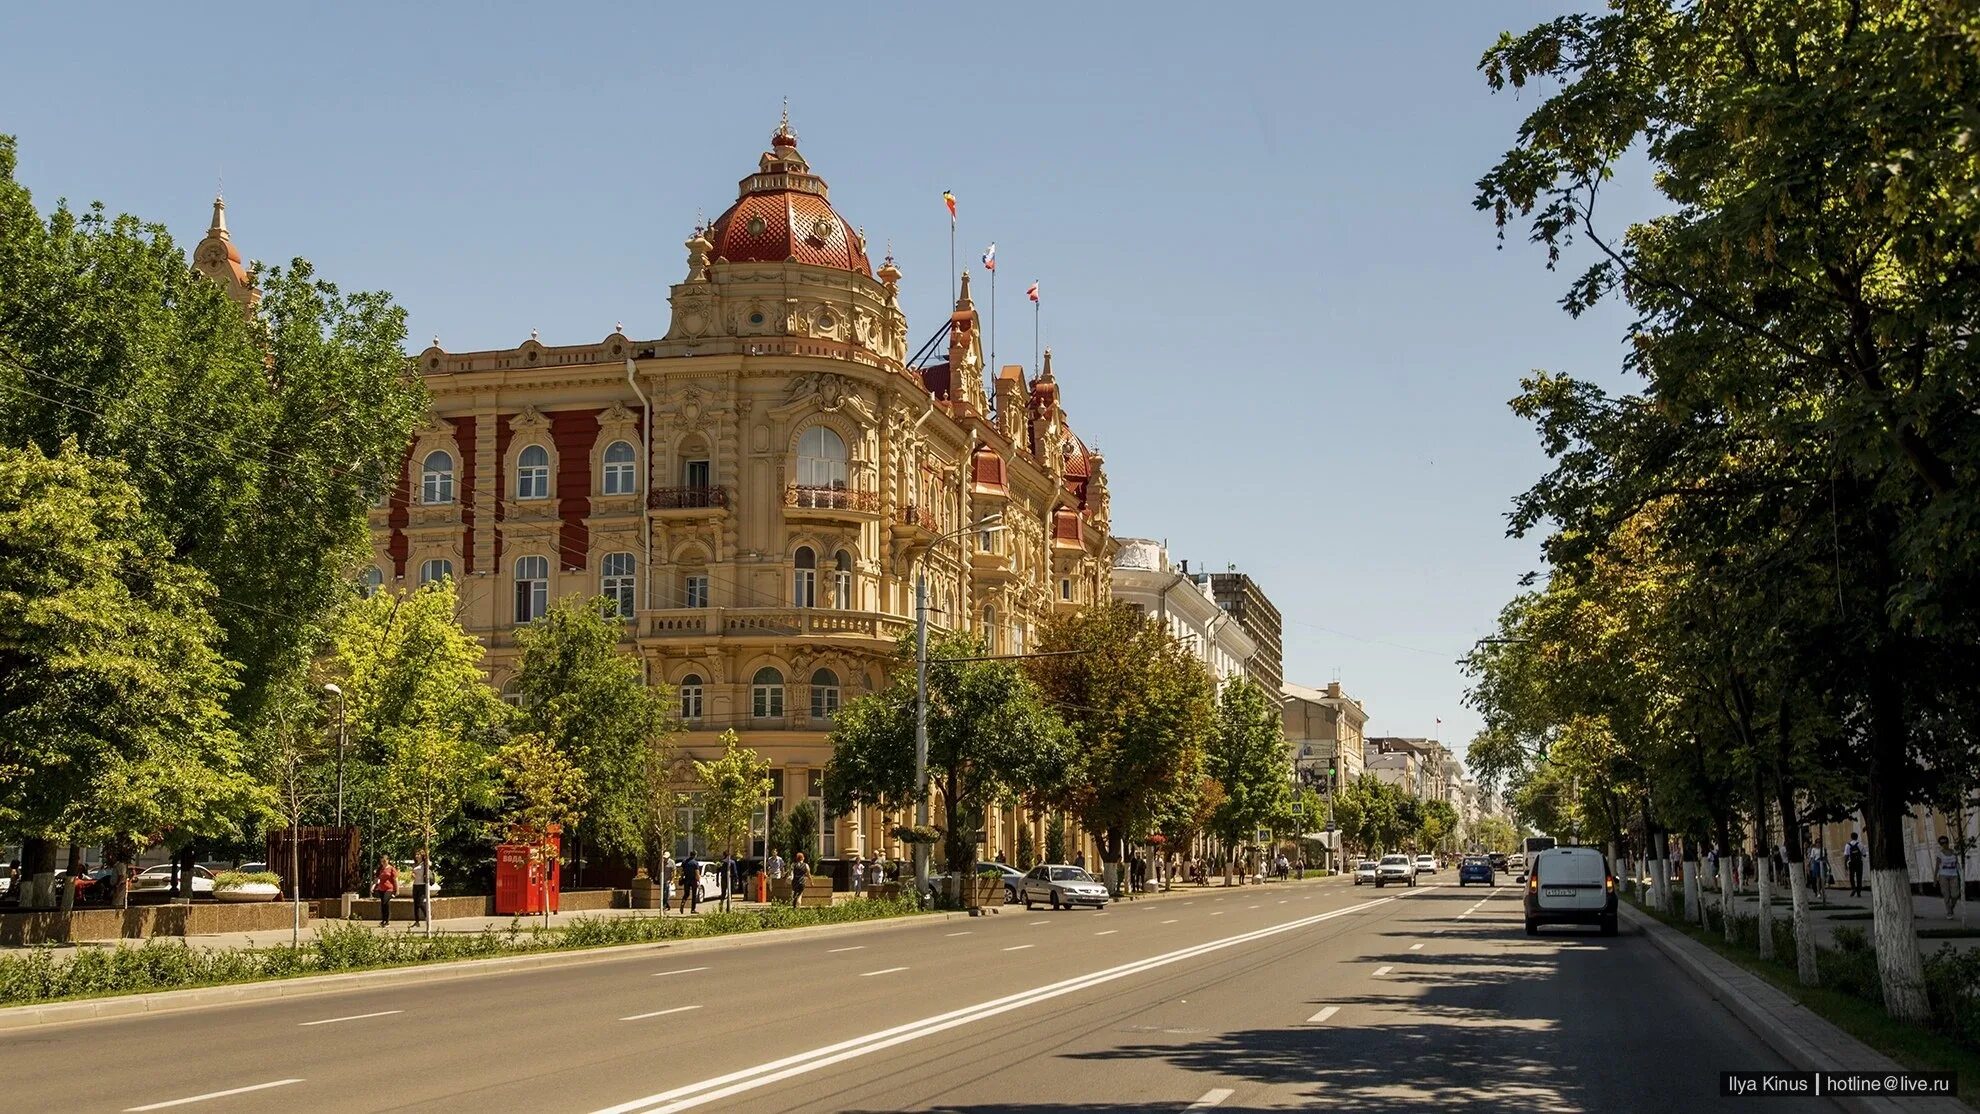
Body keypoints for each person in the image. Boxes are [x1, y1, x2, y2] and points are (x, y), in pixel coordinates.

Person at [1936, 836, 1962, 918]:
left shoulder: (1954, 852)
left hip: (1953, 875)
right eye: (1942, 843)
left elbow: (1957, 864)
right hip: (1943, 876)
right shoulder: (1940, 854)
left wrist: (1961, 874)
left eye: (1945, 843)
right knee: (1946, 894)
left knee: (1955, 894)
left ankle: (1951, 907)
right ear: (1940, 844)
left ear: (1948, 842)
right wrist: (1934, 878)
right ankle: (1949, 912)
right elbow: (1937, 866)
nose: (1944, 845)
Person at [373, 855, 399, 927]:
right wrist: (373, 887)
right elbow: (377, 879)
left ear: (388, 860)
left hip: (389, 889)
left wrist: (397, 890)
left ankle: (387, 921)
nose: (383, 863)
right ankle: (383, 920)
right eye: (382, 861)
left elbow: (395, 879)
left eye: (384, 861)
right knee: (383, 904)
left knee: (385, 902)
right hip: (381, 889)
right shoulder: (380, 869)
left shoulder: (391, 869)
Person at [410, 850, 432, 927]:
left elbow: (430, 864)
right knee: (416, 904)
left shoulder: (425, 864)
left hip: (422, 885)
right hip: (415, 884)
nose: (416, 856)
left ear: (422, 855)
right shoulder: (415, 864)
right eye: (416, 854)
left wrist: (426, 856)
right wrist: (412, 874)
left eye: (418, 854)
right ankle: (417, 921)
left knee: (420, 902)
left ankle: (427, 916)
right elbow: (413, 873)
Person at [1843, 832, 1865, 898]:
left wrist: (1845, 864)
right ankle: (1859, 892)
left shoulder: (1848, 845)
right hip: (1859, 863)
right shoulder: (1860, 844)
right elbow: (1864, 854)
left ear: (1851, 837)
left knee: (1851, 876)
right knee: (1859, 877)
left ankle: (1853, 888)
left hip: (1851, 863)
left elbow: (1846, 856)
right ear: (1857, 837)